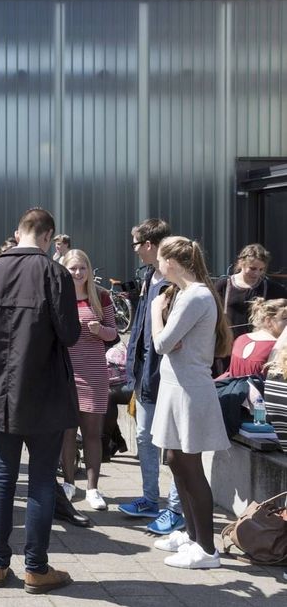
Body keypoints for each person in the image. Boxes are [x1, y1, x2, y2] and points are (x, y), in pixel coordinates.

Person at [0, 208, 80, 594]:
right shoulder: (55, 273)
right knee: (41, 480)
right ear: (48, 236)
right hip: (43, 391)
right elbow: (69, 334)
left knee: (2, 477)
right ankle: (36, 567)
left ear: (18, 233)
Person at [148, 236, 233, 569]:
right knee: (175, 460)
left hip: (188, 390)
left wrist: (158, 314)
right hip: (178, 386)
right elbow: (171, 344)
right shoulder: (188, 294)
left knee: (191, 467)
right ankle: (193, 536)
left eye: (160, 258)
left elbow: (163, 343)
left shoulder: (195, 295)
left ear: (172, 261)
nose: (157, 263)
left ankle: (207, 549)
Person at [117, 219, 184, 536]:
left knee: (172, 444)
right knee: (144, 437)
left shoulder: (177, 280)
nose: (133, 251)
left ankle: (177, 508)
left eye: (134, 244)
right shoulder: (147, 276)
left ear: (148, 245)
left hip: (169, 373)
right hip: (144, 372)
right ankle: (149, 498)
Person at [58, 249, 118, 511]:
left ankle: (93, 489)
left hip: (94, 372)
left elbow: (113, 333)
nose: (78, 273)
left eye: (82, 267)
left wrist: (99, 329)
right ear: (64, 269)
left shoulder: (100, 295)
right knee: (67, 433)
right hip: (66, 372)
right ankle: (69, 483)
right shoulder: (59, 295)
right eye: (73, 268)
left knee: (93, 434)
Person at [214, 244, 287, 339]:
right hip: (228, 344)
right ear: (241, 263)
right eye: (252, 268)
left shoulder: (270, 287)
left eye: (261, 269)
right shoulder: (224, 284)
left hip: (257, 344)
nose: (257, 273)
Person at [223, 298, 287, 378]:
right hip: (257, 390)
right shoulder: (278, 348)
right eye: (285, 318)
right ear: (269, 321)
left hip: (233, 389)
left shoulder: (241, 338)